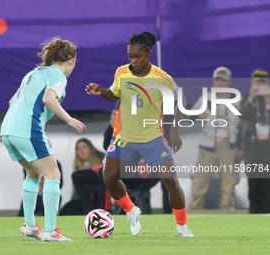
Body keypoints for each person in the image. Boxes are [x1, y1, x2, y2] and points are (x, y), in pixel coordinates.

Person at [86, 32, 194, 237]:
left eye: (138, 56)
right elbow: (113, 94)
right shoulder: (121, 73)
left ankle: (182, 227)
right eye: (130, 57)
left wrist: (174, 130)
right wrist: (101, 91)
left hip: (152, 137)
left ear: (149, 54)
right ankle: (131, 211)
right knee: (108, 177)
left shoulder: (162, 78)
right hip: (123, 137)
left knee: (171, 181)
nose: (134, 61)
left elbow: (182, 100)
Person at [0, 37, 85, 242]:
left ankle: (30, 225)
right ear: (71, 61)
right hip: (27, 129)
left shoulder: (33, 73)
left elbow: (13, 100)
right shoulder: (58, 75)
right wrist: (69, 119)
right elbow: (48, 97)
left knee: (34, 173)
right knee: (53, 174)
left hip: (7, 129)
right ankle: (50, 231)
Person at [190, 67, 241, 210]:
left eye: (224, 80)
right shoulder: (205, 98)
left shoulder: (237, 100)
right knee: (199, 181)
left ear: (229, 82)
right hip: (208, 146)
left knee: (229, 183)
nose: (221, 83)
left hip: (229, 147)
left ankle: (227, 213)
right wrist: (197, 114)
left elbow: (243, 126)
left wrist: (240, 148)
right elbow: (189, 116)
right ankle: (195, 212)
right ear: (214, 81)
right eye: (218, 80)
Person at [239, 68, 270, 213]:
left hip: (267, 147)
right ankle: (254, 211)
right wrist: (251, 96)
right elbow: (242, 115)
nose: (260, 85)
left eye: (263, 82)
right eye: (257, 83)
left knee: (267, 181)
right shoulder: (246, 98)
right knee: (253, 179)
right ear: (252, 83)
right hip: (252, 146)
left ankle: (267, 211)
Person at [69, 138, 105, 215]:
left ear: (90, 148)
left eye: (84, 147)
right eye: (78, 148)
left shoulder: (103, 159)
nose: (81, 151)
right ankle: (88, 211)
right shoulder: (78, 167)